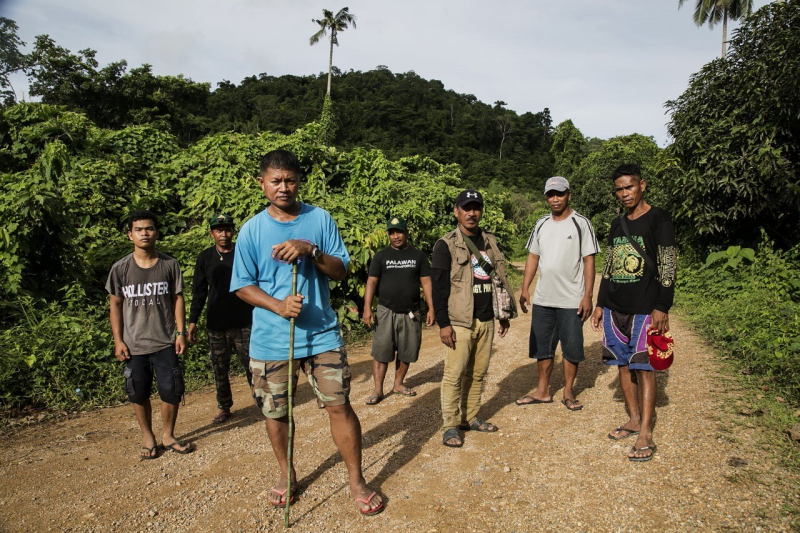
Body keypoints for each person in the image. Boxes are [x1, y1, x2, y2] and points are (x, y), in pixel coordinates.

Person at [231, 149, 384, 516]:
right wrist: (278, 306)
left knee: (339, 406)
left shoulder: (320, 219)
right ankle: (287, 475)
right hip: (271, 339)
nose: (283, 187)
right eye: (275, 181)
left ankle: (357, 480)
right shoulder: (251, 230)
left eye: (290, 180)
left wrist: (309, 249)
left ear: (300, 182)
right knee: (276, 413)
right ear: (262, 183)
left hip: (321, 336)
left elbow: (341, 271)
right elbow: (242, 286)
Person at [591, 164, 677, 462]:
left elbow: (667, 264)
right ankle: (633, 419)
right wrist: (601, 303)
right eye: (619, 189)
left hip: (645, 307)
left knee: (645, 368)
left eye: (629, 187)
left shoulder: (658, 218)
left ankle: (646, 433)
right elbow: (611, 265)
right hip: (616, 308)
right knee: (622, 365)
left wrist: (662, 305)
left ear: (642, 185)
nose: (624, 193)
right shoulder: (618, 224)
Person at [106, 209, 195, 459]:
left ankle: (168, 435)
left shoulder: (169, 264)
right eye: (138, 229)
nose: (144, 233)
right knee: (138, 391)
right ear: (129, 235)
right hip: (134, 345)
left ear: (156, 233)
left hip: (165, 341)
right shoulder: (120, 269)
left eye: (149, 228)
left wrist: (180, 333)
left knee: (171, 390)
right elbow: (115, 305)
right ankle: (148, 437)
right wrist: (118, 340)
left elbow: (178, 299)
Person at [432, 189, 512, 448]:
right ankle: (450, 426)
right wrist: (444, 324)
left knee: (478, 374)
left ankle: (470, 417)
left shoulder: (490, 241)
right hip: (459, 321)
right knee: (454, 375)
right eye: (466, 208)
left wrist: (503, 315)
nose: (471, 212)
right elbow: (440, 288)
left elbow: (498, 280)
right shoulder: (444, 245)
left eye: (476, 207)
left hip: (486, 318)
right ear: (456, 211)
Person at [516, 177, 599, 411]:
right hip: (544, 298)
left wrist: (588, 296)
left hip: (572, 299)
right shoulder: (541, 223)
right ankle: (543, 391)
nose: (555, 199)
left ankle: (568, 391)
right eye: (551, 194)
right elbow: (533, 256)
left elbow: (588, 260)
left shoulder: (581, 223)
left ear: (568, 195)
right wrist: (525, 288)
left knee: (571, 348)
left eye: (559, 194)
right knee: (543, 347)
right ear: (546, 197)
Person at [187, 214, 254, 424]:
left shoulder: (243, 253)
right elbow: (199, 292)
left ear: (233, 231)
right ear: (211, 233)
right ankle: (224, 406)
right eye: (218, 230)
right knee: (219, 367)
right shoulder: (205, 257)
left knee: (253, 364)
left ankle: (262, 400)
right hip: (216, 324)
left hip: (245, 320)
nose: (223, 234)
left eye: (227, 229)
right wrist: (192, 321)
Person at [362, 216, 435, 405]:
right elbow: (371, 282)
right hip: (386, 311)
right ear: (388, 234)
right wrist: (367, 308)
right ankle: (378, 390)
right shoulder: (380, 256)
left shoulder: (418, 256)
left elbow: (426, 282)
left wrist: (431, 307)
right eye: (392, 232)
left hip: (411, 312)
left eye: (399, 232)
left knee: (407, 351)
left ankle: (398, 384)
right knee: (381, 352)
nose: (396, 236)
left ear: (406, 233)